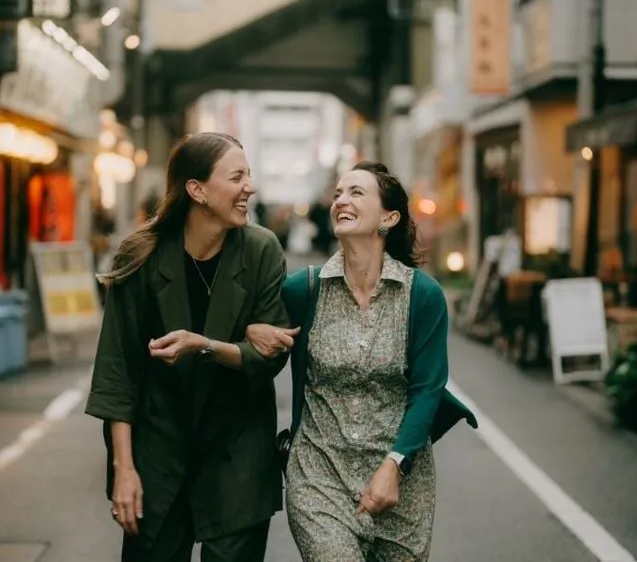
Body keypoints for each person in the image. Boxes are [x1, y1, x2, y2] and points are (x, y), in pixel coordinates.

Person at [84, 132, 300, 562]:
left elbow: (269, 357)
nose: (250, 187)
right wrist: (124, 470)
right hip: (159, 450)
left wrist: (206, 345)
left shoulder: (261, 250)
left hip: (238, 451)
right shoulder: (141, 255)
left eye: (249, 175)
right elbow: (117, 372)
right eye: (236, 177)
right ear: (197, 190)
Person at [248, 161, 476, 562]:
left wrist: (395, 464)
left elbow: (427, 390)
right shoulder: (304, 290)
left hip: (402, 483)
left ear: (389, 218)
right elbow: (251, 330)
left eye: (356, 192)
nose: (341, 200)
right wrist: (251, 330)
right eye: (338, 193)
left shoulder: (422, 296)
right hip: (319, 478)